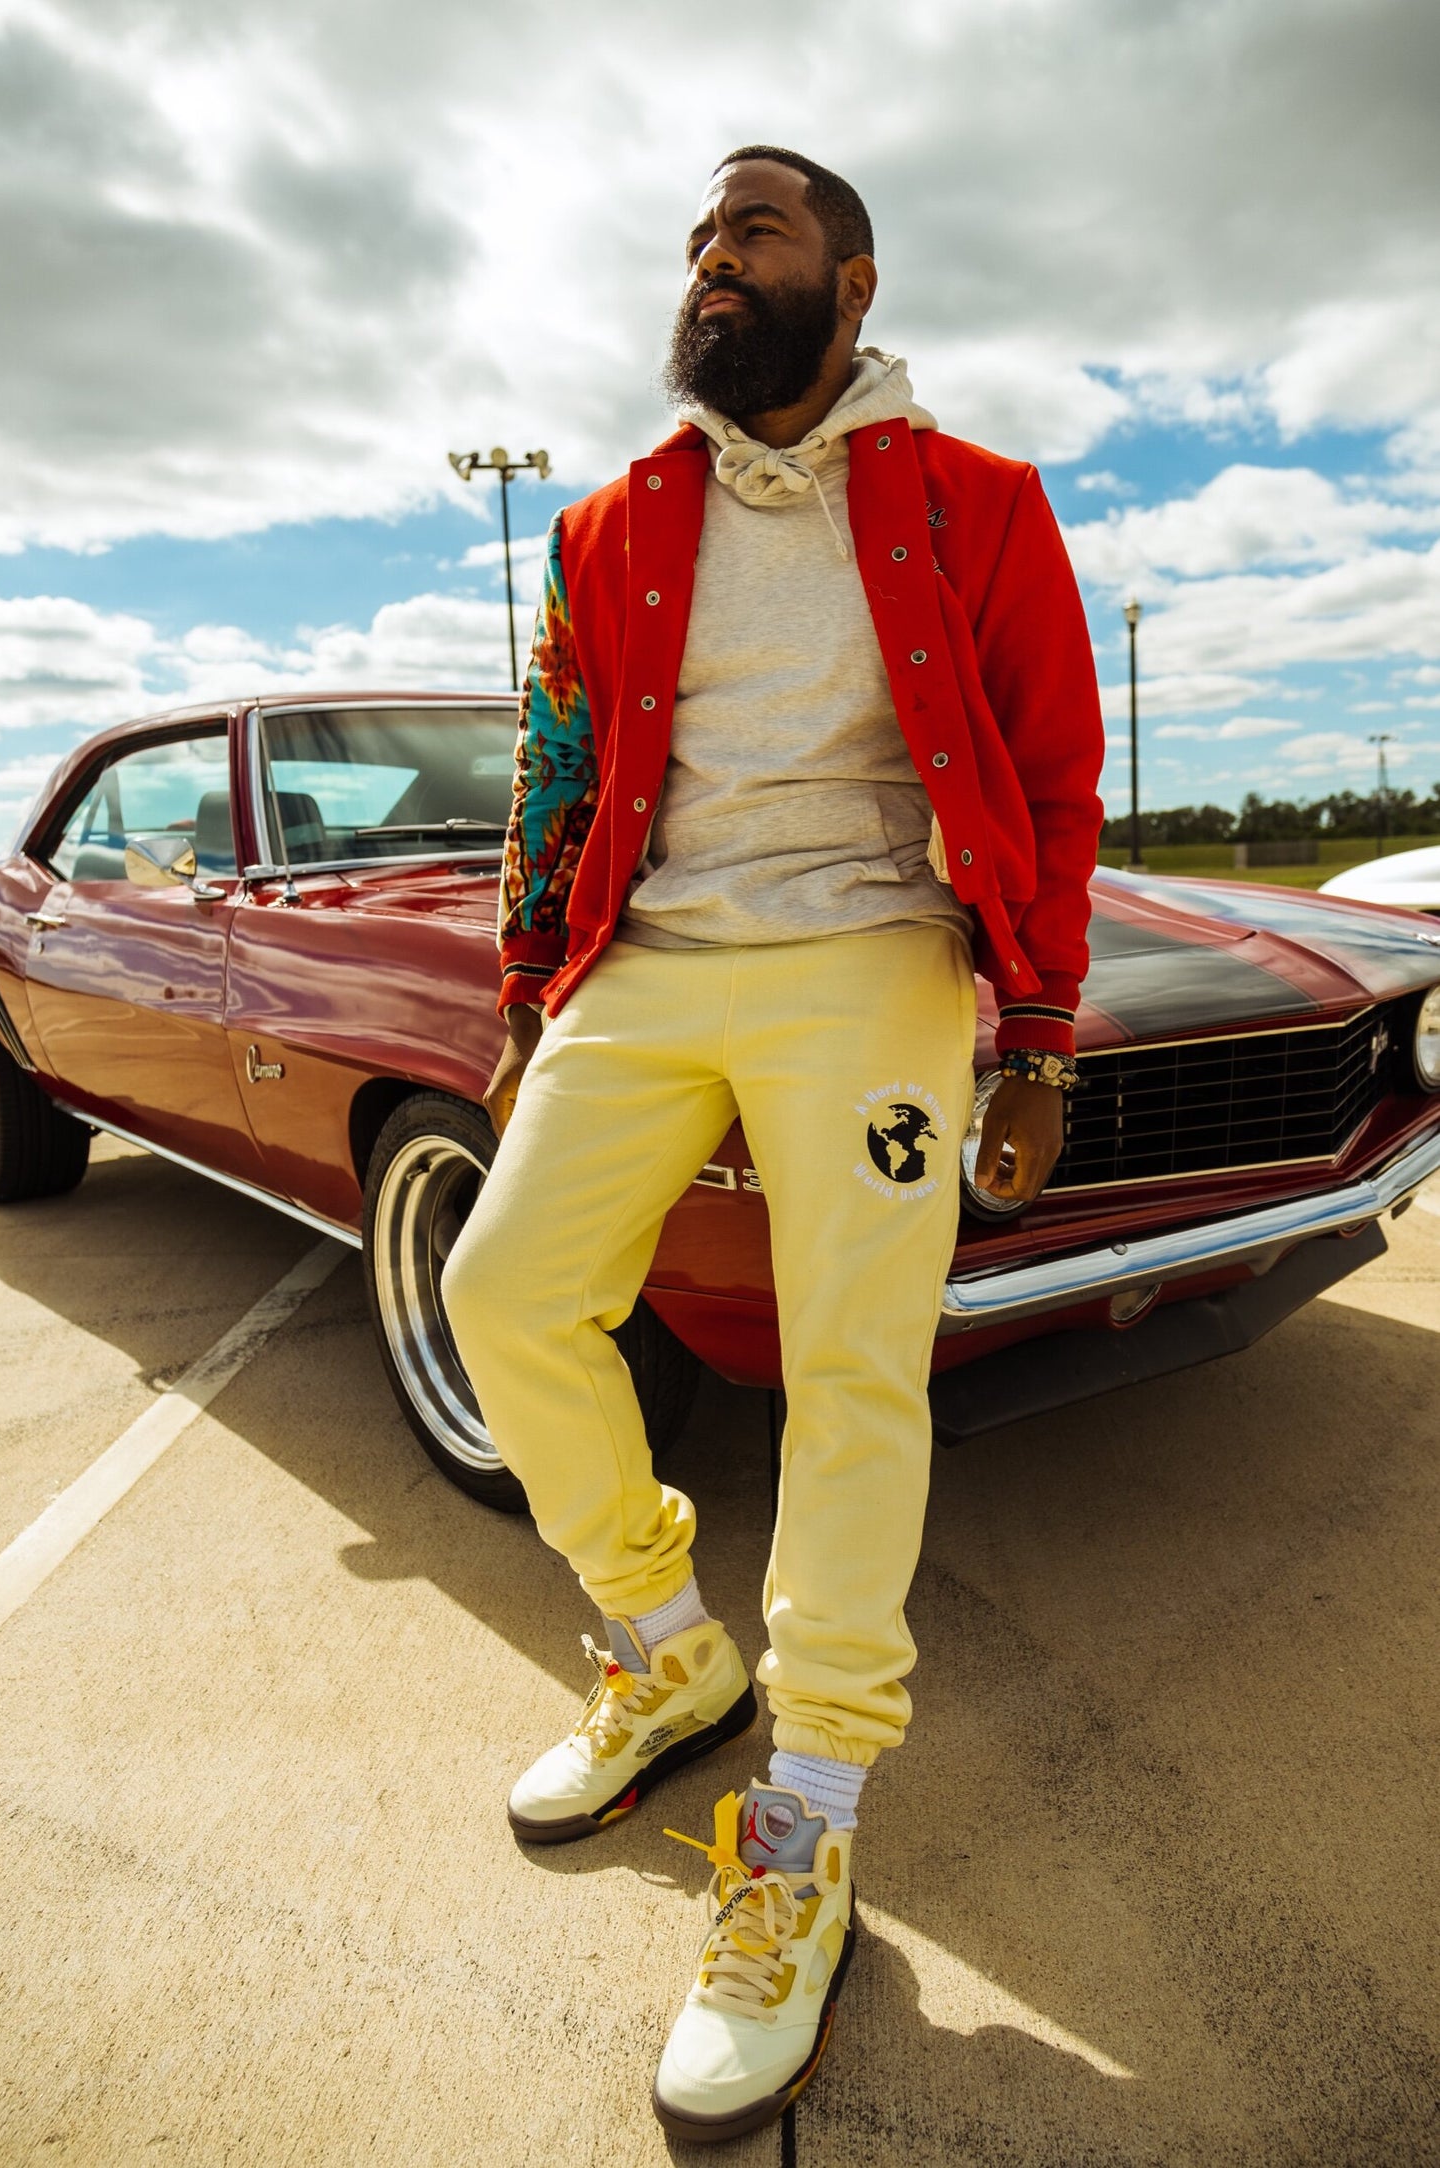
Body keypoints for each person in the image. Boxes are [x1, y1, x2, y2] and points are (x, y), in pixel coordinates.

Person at [442, 145, 1103, 2144]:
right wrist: (522, 989)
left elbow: (1057, 766)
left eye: (755, 233)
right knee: (504, 1288)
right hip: (647, 964)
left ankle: (802, 1816)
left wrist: (1042, 1027)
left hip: (879, 964)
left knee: (848, 1366)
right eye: (699, 240)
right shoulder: (606, 523)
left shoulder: (979, 503)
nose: (712, 263)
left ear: (854, 277)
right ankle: (667, 1647)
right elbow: (558, 773)